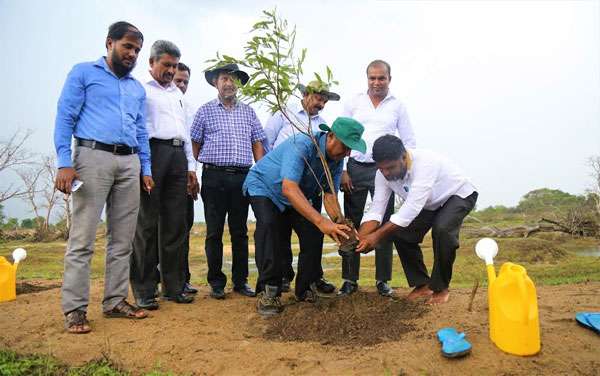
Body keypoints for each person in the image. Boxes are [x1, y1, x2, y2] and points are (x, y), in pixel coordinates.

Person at [54, 21, 152, 333]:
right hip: (91, 158)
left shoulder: (137, 88)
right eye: (127, 46)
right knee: (82, 239)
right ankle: (75, 309)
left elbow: (141, 131)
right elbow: (65, 116)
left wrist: (145, 169)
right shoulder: (84, 73)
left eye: (137, 49)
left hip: (130, 162)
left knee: (123, 240)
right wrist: (63, 162)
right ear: (109, 43)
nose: (132, 54)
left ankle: (114, 301)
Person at [244, 117, 367, 316]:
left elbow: (329, 194)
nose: (348, 153)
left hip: (297, 193)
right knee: (269, 229)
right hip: (266, 188)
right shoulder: (301, 145)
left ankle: (305, 288)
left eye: (350, 149)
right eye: (345, 147)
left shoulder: (336, 159)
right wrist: (321, 221)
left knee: (314, 233)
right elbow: (288, 188)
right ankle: (269, 291)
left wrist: (339, 224)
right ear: (331, 136)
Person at [356, 135, 478, 304]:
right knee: (401, 234)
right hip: (429, 203)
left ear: (404, 157)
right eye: (381, 169)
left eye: (390, 168)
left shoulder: (425, 163)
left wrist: (376, 237)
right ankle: (422, 284)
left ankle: (440, 287)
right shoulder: (382, 175)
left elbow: (410, 209)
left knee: (442, 230)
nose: (386, 173)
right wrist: (360, 237)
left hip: (457, 194)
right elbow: (377, 208)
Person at [339, 59, 416, 297]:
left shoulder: (398, 106)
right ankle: (350, 280)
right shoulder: (354, 102)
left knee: (383, 223)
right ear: (367, 79)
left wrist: (407, 173)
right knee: (351, 223)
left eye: (381, 78)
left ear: (389, 79)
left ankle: (383, 281)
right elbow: (342, 135)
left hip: (385, 170)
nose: (376, 82)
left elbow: (409, 141)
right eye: (372, 78)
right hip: (356, 168)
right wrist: (343, 168)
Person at [130, 41, 198, 309]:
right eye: (166, 65)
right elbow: (137, 128)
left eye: (174, 66)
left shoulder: (177, 95)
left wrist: (191, 167)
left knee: (176, 224)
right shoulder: (140, 90)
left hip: (178, 156)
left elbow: (186, 133)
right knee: (147, 225)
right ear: (151, 63)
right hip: (152, 153)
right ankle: (145, 289)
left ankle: (173, 286)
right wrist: (143, 166)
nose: (171, 71)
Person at [191, 63, 266, 300]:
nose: (229, 83)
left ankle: (240, 281)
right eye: (224, 78)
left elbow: (257, 142)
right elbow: (194, 143)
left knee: (240, 231)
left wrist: (260, 170)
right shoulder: (204, 111)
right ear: (216, 82)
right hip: (214, 176)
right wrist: (202, 167)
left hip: (242, 177)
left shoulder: (249, 112)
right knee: (214, 232)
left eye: (233, 79)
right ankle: (216, 282)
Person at [263, 80, 339, 294]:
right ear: (305, 95)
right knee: (280, 231)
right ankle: (283, 277)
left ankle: (312, 278)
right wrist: (273, 170)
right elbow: (266, 141)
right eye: (318, 98)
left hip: (309, 185)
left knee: (313, 232)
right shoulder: (284, 114)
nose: (321, 104)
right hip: (282, 181)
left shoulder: (324, 126)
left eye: (324, 101)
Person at [173, 62, 200, 295]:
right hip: (160, 172)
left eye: (185, 82)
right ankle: (158, 279)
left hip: (185, 173)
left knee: (184, 227)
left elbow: (191, 147)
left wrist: (193, 174)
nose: (181, 85)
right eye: (177, 80)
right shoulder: (152, 101)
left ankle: (183, 279)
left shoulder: (189, 109)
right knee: (160, 228)